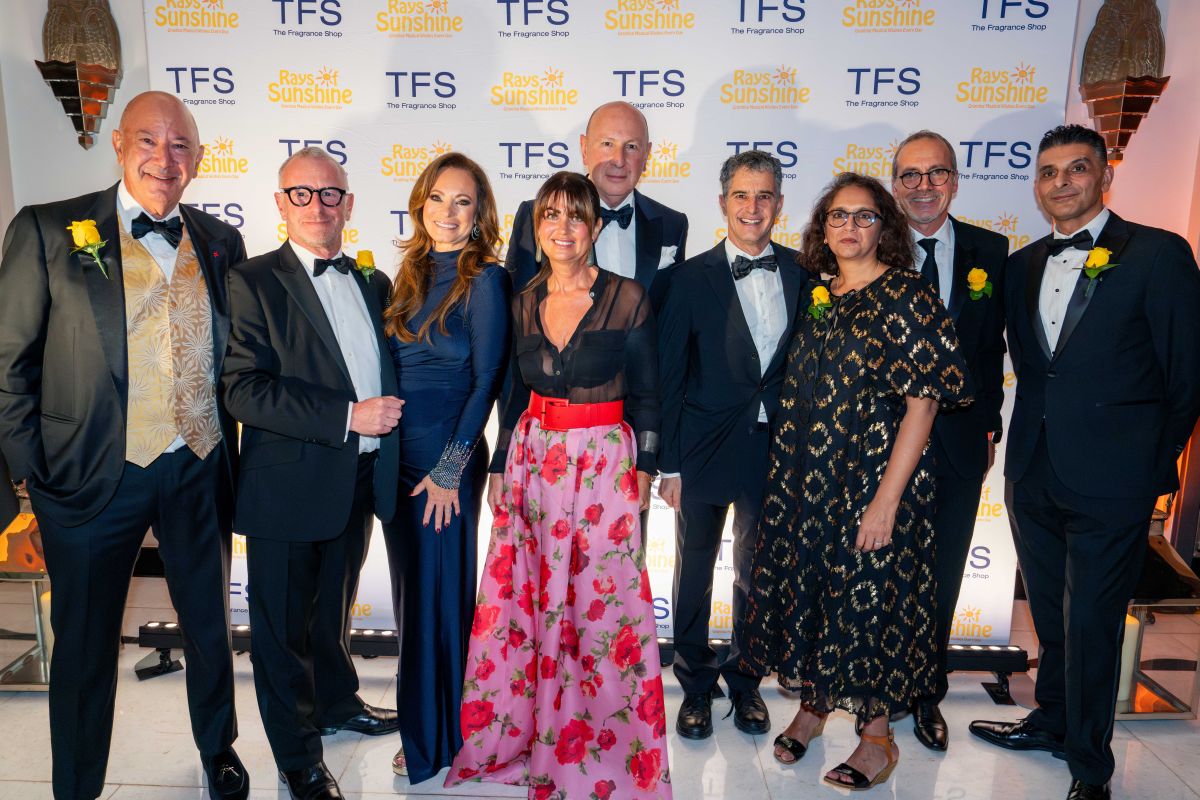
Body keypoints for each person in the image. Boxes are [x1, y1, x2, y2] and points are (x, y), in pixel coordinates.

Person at [0, 90, 248, 800]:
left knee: (208, 628)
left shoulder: (222, 240)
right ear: (117, 143)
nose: (163, 160)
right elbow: (8, 364)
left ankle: (218, 750)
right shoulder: (50, 230)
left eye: (180, 146)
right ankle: (77, 785)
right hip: (87, 477)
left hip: (198, 467)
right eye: (148, 141)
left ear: (198, 160)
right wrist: (33, 478)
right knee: (83, 646)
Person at [970, 124, 1200, 800]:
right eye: (1048, 172)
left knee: (1094, 622)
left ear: (1105, 176)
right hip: (1034, 469)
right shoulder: (1021, 264)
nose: (1061, 182)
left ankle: (1091, 766)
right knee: (1048, 611)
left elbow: (1187, 376)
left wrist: (1150, 472)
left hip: (1116, 480)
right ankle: (1052, 718)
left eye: (1076, 169)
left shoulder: (1159, 255)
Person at [739, 172, 971, 788]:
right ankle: (813, 710)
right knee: (816, 596)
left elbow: (924, 404)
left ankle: (877, 737)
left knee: (871, 607)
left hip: (872, 482)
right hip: (810, 483)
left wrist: (886, 501)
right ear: (822, 228)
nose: (849, 227)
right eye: (837, 216)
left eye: (864, 216)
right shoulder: (823, 293)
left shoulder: (906, 295)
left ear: (884, 228)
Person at [447, 172, 670, 799]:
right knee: (533, 602)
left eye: (577, 216)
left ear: (595, 228)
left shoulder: (628, 297)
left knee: (602, 613)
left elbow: (648, 396)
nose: (563, 229)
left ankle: (607, 748)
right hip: (533, 465)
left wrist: (644, 474)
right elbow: (512, 392)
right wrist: (495, 467)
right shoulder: (520, 301)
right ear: (536, 227)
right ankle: (530, 734)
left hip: (603, 468)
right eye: (551, 216)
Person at [221, 147, 402, 800]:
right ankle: (298, 760)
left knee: (330, 617)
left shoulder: (373, 281)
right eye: (303, 193)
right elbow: (243, 389)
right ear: (280, 204)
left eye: (331, 194)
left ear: (349, 205)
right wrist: (348, 416)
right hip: (287, 490)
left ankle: (337, 703)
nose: (318, 206)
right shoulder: (252, 281)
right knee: (281, 634)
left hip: (355, 484)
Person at [656, 150, 806, 740]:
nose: (753, 207)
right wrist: (667, 463)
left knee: (759, 572)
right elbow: (670, 377)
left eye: (764, 195)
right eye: (742, 196)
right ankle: (695, 686)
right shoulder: (687, 280)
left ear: (778, 205)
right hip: (700, 449)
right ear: (723, 204)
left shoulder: (804, 272)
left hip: (777, 450)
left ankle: (746, 683)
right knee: (693, 572)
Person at [380, 152, 510, 783]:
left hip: (446, 461)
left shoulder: (485, 277)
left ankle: (441, 735)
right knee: (412, 600)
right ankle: (422, 723)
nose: (449, 214)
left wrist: (454, 467)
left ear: (479, 212)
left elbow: (487, 379)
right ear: (420, 203)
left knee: (440, 596)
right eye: (437, 198)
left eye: (463, 202)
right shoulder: (404, 271)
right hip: (396, 460)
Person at [891, 130, 1008, 752]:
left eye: (936, 174)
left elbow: (993, 351)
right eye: (910, 175)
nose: (923, 187)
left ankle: (926, 693)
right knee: (880, 572)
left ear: (955, 182)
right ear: (895, 186)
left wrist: (989, 426)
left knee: (942, 573)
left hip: (962, 443)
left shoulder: (993, 249)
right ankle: (875, 691)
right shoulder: (871, 248)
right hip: (882, 446)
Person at [505, 101, 688, 307]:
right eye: (607, 144)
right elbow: (518, 313)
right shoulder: (536, 216)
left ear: (646, 154)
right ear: (584, 148)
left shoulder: (673, 225)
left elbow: (674, 316)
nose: (619, 160)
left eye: (631, 146)